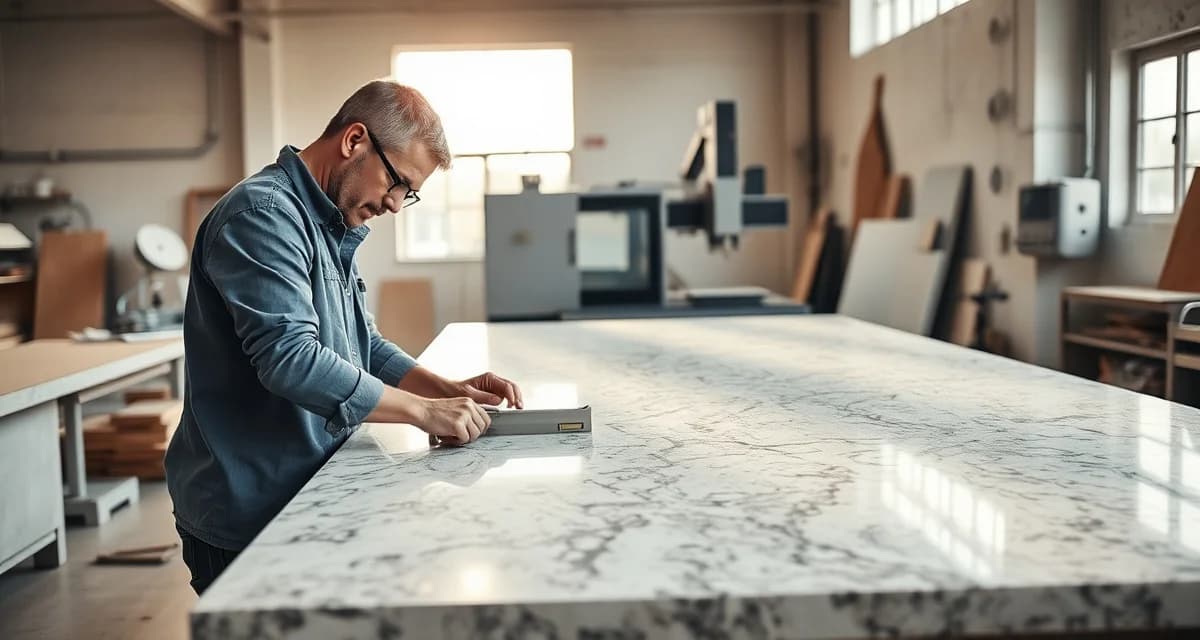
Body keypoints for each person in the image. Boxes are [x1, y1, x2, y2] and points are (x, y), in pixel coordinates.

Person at [164, 80, 523, 595]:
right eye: (398, 182)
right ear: (355, 140)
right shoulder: (262, 216)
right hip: (251, 506)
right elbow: (290, 358)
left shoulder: (328, 223)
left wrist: (447, 392)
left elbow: (364, 345)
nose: (397, 205)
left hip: (306, 488)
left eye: (410, 194)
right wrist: (423, 413)